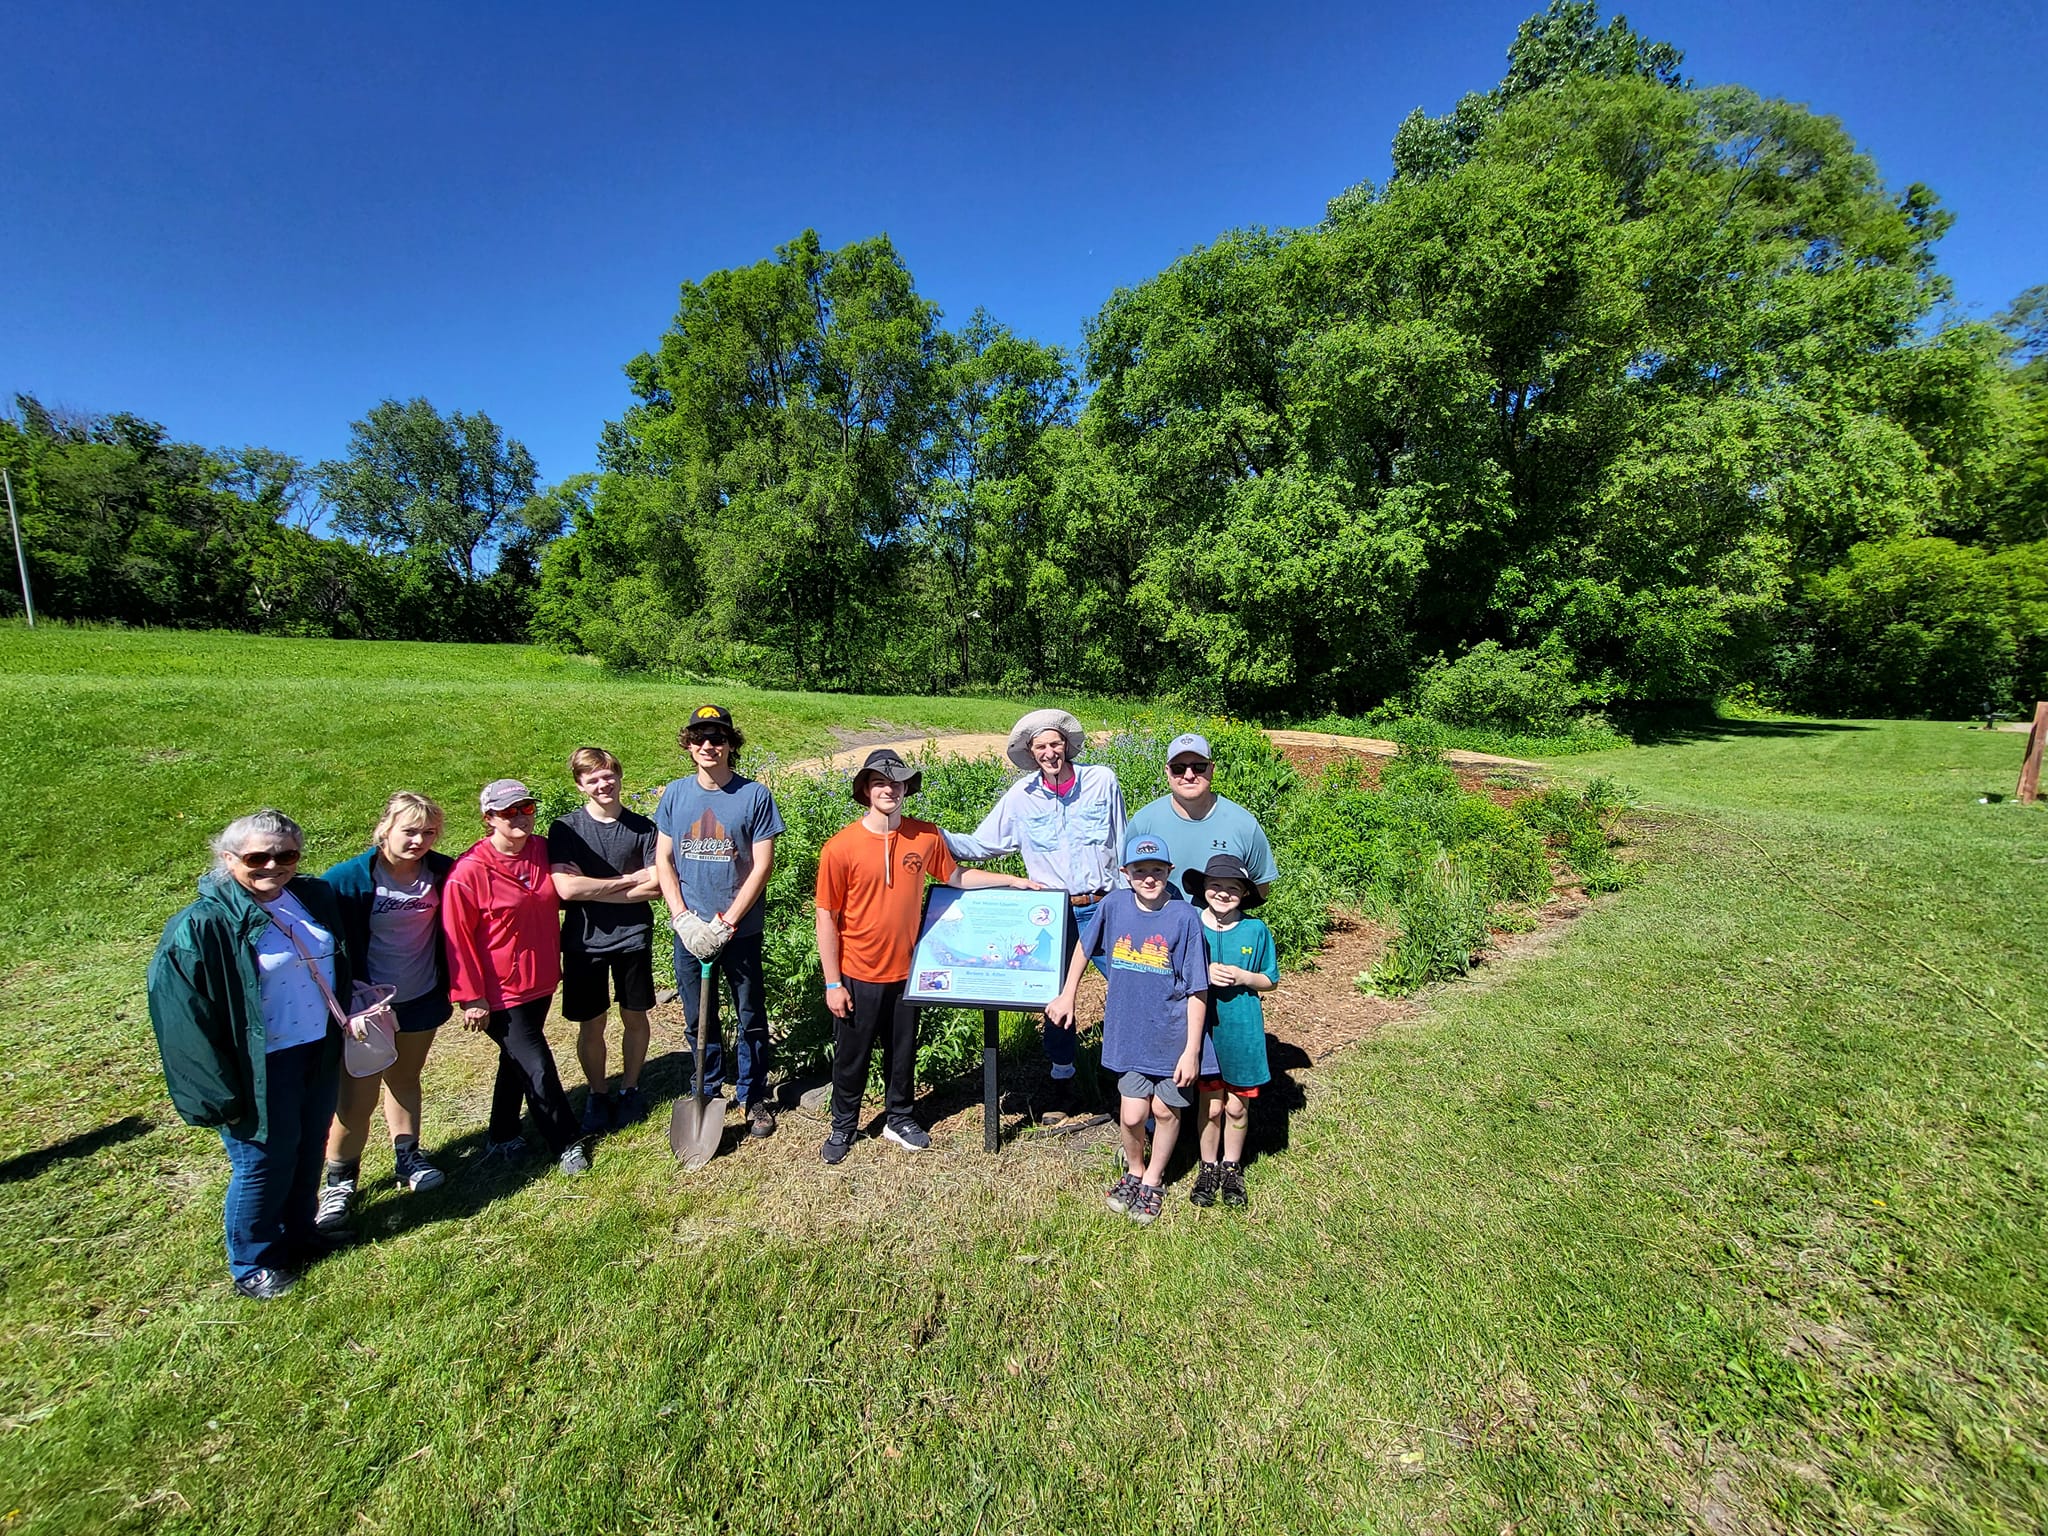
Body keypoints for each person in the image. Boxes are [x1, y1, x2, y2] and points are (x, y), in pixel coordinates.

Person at [147, 809, 352, 1299]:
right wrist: (214, 1091)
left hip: (315, 1049)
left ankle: (300, 1234)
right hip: (259, 1064)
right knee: (262, 1160)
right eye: (258, 857)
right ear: (228, 858)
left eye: (287, 855)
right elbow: (183, 1019)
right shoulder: (201, 925)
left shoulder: (308, 897)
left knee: (307, 1145)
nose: (273, 866)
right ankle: (252, 1261)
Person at [814, 748, 1041, 1165]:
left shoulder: (925, 835)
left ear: (906, 788)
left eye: (896, 782)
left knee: (903, 1052)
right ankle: (843, 1125)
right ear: (865, 789)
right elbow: (826, 917)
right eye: (880, 782)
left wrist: (1012, 881)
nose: (889, 789)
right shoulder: (840, 847)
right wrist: (832, 982)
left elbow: (956, 876)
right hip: (857, 972)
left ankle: (899, 1117)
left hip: (910, 971)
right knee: (852, 1056)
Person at [943, 708, 1124, 1119]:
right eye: (1040, 746)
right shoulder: (1020, 798)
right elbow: (981, 844)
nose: (1049, 752)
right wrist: (925, 833)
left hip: (1103, 903)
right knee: (1052, 995)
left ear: (1067, 746)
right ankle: (1062, 1081)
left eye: (1055, 743)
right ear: (1031, 752)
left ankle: (1130, 1075)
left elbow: (1124, 838)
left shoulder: (1103, 781)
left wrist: (1131, 900)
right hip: (1052, 911)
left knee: (1131, 985)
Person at [1046, 831, 1207, 1225]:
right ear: (1124, 872)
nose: (1148, 878)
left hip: (1171, 1037)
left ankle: (1153, 1180)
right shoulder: (1115, 905)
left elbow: (1198, 988)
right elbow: (1085, 946)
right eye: (1139, 870)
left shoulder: (1184, 918)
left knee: (1166, 1112)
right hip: (1129, 1033)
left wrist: (1192, 1049)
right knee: (1133, 1115)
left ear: (1169, 872)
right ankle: (1134, 1169)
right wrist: (1068, 994)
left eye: (1156, 870)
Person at [315, 793, 456, 1232]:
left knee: (405, 1078)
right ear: (385, 830)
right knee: (357, 1097)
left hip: (420, 996)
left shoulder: (440, 872)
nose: (419, 840)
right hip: (367, 1008)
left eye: (428, 832)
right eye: (409, 831)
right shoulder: (347, 881)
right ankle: (339, 1180)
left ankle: (408, 1156)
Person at [442, 779, 589, 1176]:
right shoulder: (469, 872)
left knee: (516, 1059)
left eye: (526, 808)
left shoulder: (543, 851)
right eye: (509, 812)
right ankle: (566, 1141)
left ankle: (503, 1133)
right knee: (537, 1061)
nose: (521, 817)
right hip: (499, 990)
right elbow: (457, 939)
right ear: (489, 818)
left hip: (540, 979)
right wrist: (471, 996)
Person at [654, 705, 787, 1141]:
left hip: (740, 931)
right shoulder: (675, 795)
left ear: (732, 744)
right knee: (699, 1017)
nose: (707, 745)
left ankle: (754, 1095)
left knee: (750, 1015)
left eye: (717, 738)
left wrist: (727, 923)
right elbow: (664, 860)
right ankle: (706, 1090)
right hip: (690, 932)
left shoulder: (754, 796)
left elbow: (762, 866)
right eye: (699, 738)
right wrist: (681, 918)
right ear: (688, 745)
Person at [548, 747, 662, 1133]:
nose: (603, 783)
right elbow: (566, 887)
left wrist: (592, 887)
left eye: (608, 775)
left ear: (619, 777)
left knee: (635, 1015)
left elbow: (657, 884)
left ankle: (630, 1087)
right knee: (591, 1025)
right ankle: (598, 1093)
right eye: (593, 778)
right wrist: (627, 880)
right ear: (581, 785)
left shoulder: (643, 828)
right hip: (585, 942)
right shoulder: (566, 829)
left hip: (633, 937)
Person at [1182, 854, 1279, 1210]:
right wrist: (1202, 972)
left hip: (1242, 1028)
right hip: (1204, 1029)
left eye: (1233, 888)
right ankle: (1207, 1166)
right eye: (1216, 886)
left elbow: (1270, 978)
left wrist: (1243, 977)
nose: (1223, 893)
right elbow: (1176, 968)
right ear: (1204, 889)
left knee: (1237, 1107)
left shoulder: (1256, 930)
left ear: (1245, 894)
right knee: (1209, 1105)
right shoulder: (1191, 924)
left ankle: (1232, 1166)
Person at [1124, 731, 1278, 904]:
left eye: (1198, 767)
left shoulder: (1244, 825)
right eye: (1179, 768)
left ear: (1212, 769)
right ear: (1167, 772)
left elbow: (1261, 887)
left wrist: (1226, 918)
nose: (1189, 775)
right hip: (1160, 930)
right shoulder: (1143, 822)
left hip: (1219, 930)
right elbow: (1127, 881)